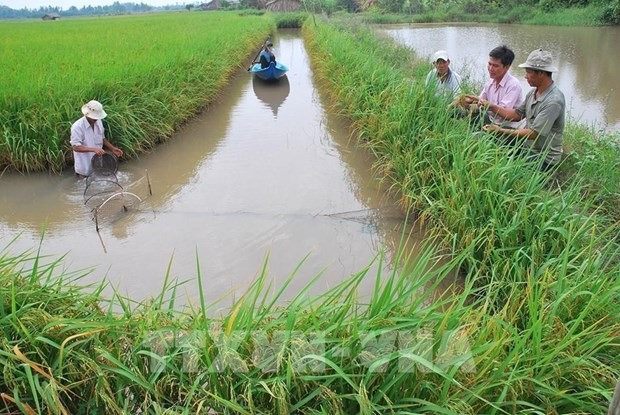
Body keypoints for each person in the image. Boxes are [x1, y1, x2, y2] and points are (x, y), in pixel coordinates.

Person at [480, 48, 565, 171]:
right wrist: (491, 106)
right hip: (527, 146)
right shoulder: (533, 93)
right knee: (490, 143)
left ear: (541, 73)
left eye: (528, 72)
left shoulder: (553, 101)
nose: (525, 76)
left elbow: (533, 133)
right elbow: (517, 114)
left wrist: (500, 130)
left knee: (504, 168)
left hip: (543, 157)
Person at [464, 45, 523, 128]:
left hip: (506, 128)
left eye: (495, 66)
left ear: (507, 67)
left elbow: (502, 113)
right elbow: (481, 101)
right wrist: (470, 101)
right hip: (491, 122)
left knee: (477, 117)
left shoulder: (513, 85)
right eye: (489, 64)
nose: (490, 68)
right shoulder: (490, 82)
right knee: (462, 111)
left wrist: (485, 105)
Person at [70, 100, 123, 177]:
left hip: (98, 166)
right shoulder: (77, 127)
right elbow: (75, 147)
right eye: (94, 117)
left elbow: (102, 138)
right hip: (85, 169)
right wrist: (94, 149)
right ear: (87, 115)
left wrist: (112, 148)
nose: (96, 119)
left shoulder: (98, 122)